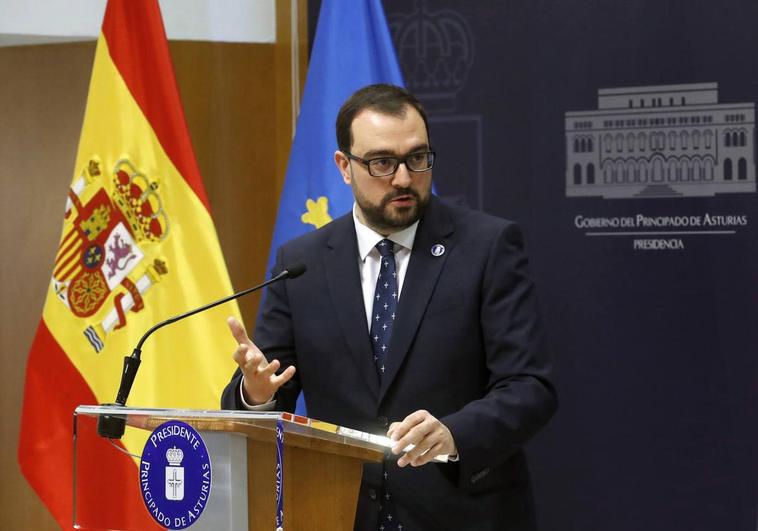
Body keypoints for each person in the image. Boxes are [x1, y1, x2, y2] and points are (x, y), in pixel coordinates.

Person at [221, 84, 557, 531]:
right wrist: (256, 395)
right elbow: (267, 390)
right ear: (344, 166)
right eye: (382, 162)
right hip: (339, 513)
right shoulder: (301, 263)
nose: (403, 178)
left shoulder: (486, 247)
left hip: (461, 513)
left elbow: (530, 387)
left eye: (417, 158)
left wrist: (455, 433)